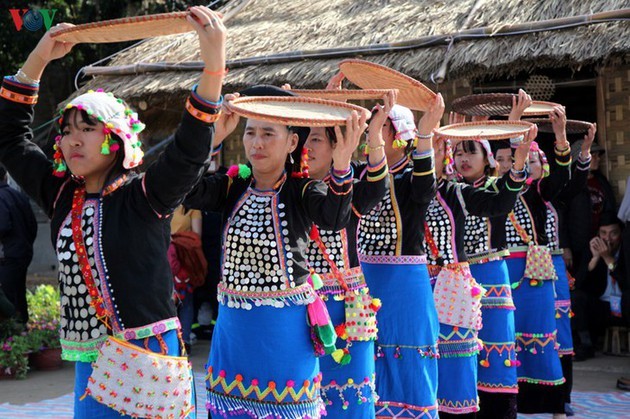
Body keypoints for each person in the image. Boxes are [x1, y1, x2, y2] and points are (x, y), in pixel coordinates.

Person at [0, 6, 225, 417]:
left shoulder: (144, 195)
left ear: (117, 140)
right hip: (91, 360)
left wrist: (213, 68)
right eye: (66, 131)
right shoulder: (59, 193)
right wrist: (39, 58)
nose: (73, 140)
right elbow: (9, 136)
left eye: (87, 129)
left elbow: (190, 151)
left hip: (146, 356)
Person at [184, 85, 366, 418]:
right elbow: (186, 190)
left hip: (284, 335)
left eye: (269, 133)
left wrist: (342, 165)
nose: (257, 143)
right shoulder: (232, 185)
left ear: (292, 142)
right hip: (233, 332)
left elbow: (333, 217)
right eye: (250, 133)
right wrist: (211, 139)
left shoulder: (303, 189)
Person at [428, 126, 530, 418]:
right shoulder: (450, 192)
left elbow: (508, 194)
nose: (463, 158)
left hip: (491, 274)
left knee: (496, 348)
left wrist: (517, 156)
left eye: (471, 151)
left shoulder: (496, 187)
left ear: (488, 158)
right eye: (458, 152)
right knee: (460, 350)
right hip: (458, 278)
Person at [302, 92, 392, 418]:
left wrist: (374, 134)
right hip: (300, 307)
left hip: (344, 306)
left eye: (315, 139)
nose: (306, 147)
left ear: (337, 144)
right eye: (302, 139)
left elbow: (378, 186)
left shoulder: (348, 191)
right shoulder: (289, 188)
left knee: (349, 398)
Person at [354, 94, 443, 417]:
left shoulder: (412, 177)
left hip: (405, 285)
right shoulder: (359, 176)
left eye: (381, 128)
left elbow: (424, 189)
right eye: (370, 129)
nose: (372, 134)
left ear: (399, 135)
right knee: (366, 359)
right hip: (365, 283)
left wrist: (425, 134)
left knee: (409, 361)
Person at [504, 106, 571, 418]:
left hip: (534, 274)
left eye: (513, 158)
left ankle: (555, 407)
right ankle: (511, 405)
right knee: (505, 340)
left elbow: (560, 180)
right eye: (502, 159)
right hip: (504, 273)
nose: (508, 164)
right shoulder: (492, 193)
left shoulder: (537, 190)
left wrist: (560, 138)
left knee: (542, 336)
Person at [573, 216, 627, 360]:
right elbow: (578, 283)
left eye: (613, 233)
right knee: (577, 297)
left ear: (621, 234)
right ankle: (585, 345)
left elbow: (625, 281)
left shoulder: (625, 251)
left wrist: (608, 258)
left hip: (624, 306)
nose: (607, 238)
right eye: (603, 233)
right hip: (602, 308)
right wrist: (596, 258)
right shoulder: (592, 249)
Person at [0, 165, 37, 324]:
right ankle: (22, 328)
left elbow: (2, 226)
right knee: (18, 292)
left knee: (8, 297)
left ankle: (12, 334)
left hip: (7, 255)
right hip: (22, 252)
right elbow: (32, 225)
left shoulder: (0, 196)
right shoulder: (18, 195)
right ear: (5, 177)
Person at [169, 204, 205, 354]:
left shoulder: (192, 206)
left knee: (183, 300)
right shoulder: (189, 206)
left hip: (179, 257)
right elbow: (197, 235)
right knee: (178, 300)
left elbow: (197, 237)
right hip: (171, 256)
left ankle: (180, 341)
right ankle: (177, 341)